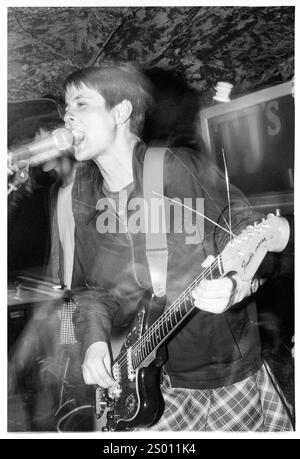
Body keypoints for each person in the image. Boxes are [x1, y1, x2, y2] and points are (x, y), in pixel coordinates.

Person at [63, 65, 293, 431]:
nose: (67, 116)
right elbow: (92, 290)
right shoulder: (84, 195)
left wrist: (234, 284)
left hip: (221, 373)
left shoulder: (175, 168)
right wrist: (94, 342)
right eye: (65, 107)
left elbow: (248, 231)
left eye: (80, 103)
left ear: (120, 111)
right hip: (148, 376)